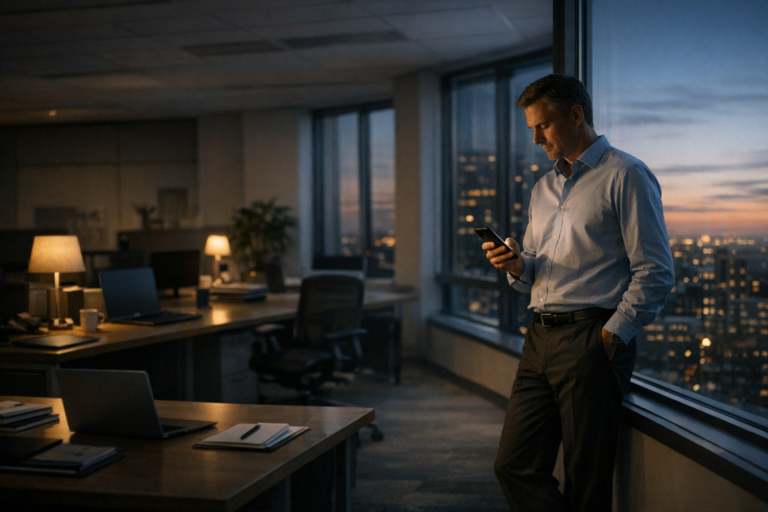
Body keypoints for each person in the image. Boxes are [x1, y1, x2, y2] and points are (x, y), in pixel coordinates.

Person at [484, 74, 675, 512]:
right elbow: (536, 267)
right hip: (539, 338)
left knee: (586, 482)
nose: (535, 139)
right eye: (531, 128)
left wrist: (609, 336)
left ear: (575, 115)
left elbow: (656, 271)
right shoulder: (543, 188)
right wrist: (517, 265)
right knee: (514, 465)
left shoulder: (626, 174)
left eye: (543, 126)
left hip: (591, 338)